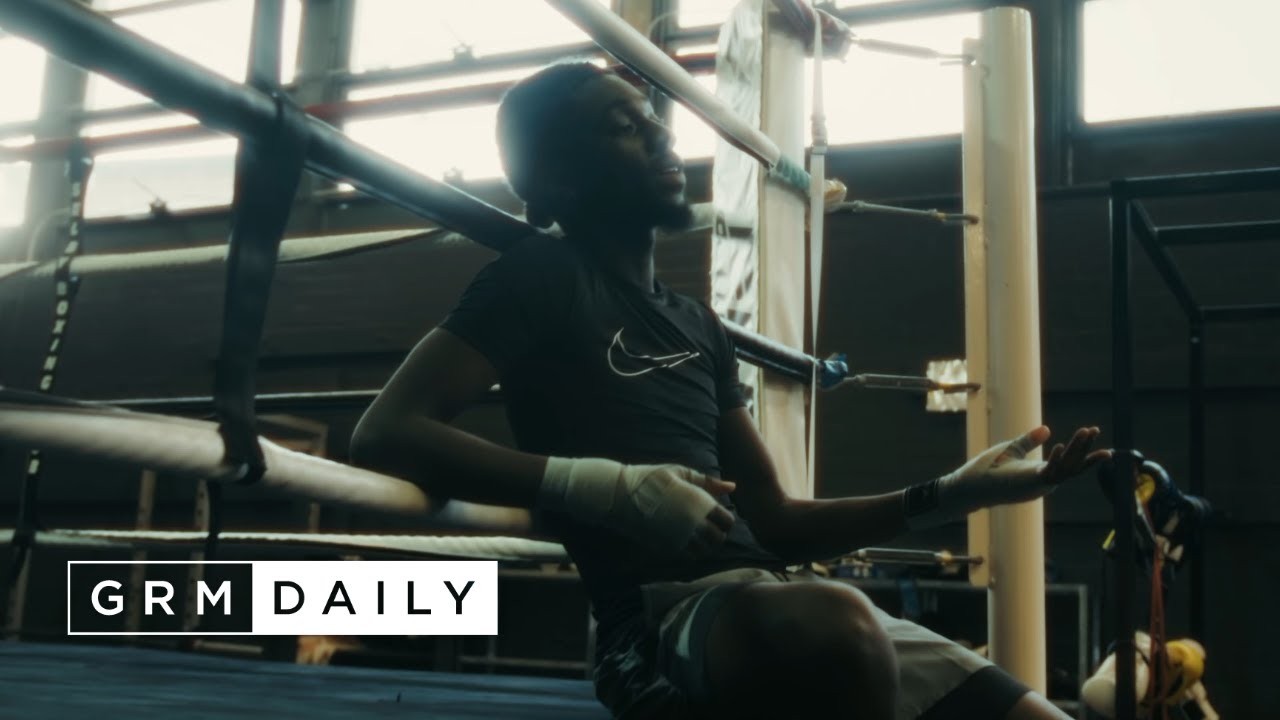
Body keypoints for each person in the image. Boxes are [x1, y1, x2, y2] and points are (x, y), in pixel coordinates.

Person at [351, 61, 1108, 720]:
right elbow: (385, 431)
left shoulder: (699, 324)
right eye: (624, 127)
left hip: (779, 600)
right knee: (833, 624)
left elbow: (775, 521)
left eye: (655, 119)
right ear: (556, 183)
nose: (660, 137)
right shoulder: (539, 277)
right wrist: (610, 489)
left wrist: (952, 494)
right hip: (660, 625)